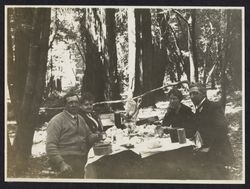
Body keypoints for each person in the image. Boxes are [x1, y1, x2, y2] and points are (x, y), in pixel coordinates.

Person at [46, 92, 102, 178]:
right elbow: (50, 146)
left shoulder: (80, 118)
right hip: (67, 159)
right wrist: (61, 164)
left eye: (76, 102)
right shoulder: (57, 121)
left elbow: (88, 136)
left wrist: (97, 136)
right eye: (70, 103)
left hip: (82, 157)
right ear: (65, 105)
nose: (74, 105)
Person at [189, 82, 234, 179]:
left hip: (218, 152)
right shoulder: (199, 108)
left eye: (195, 93)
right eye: (190, 94)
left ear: (203, 93)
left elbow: (223, 129)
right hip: (207, 150)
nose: (192, 96)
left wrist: (209, 148)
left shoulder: (213, 107)